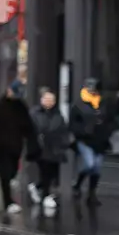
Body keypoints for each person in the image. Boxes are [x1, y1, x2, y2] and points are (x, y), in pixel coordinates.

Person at [0, 80, 35, 213]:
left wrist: (31, 142)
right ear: (9, 90)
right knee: (5, 174)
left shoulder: (21, 107)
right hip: (1, 146)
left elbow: (28, 126)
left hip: (16, 145)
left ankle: (8, 198)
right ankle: (7, 201)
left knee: (12, 171)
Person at [71, 78, 114, 202]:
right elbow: (73, 124)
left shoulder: (103, 103)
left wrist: (108, 132)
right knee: (89, 164)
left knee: (97, 168)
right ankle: (78, 184)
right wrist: (83, 130)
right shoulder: (79, 105)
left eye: (94, 88)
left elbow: (110, 120)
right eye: (90, 87)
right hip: (85, 140)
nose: (92, 90)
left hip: (100, 141)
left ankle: (92, 194)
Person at [30, 86, 71, 214]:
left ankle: (37, 187)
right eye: (46, 99)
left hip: (56, 148)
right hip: (41, 148)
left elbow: (63, 130)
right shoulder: (35, 113)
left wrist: (65, 143)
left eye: (51, 99)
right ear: (41, 100)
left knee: (54, 173)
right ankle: (46, 196)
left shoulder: (58, 114)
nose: (49, 102)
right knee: (45, 172)